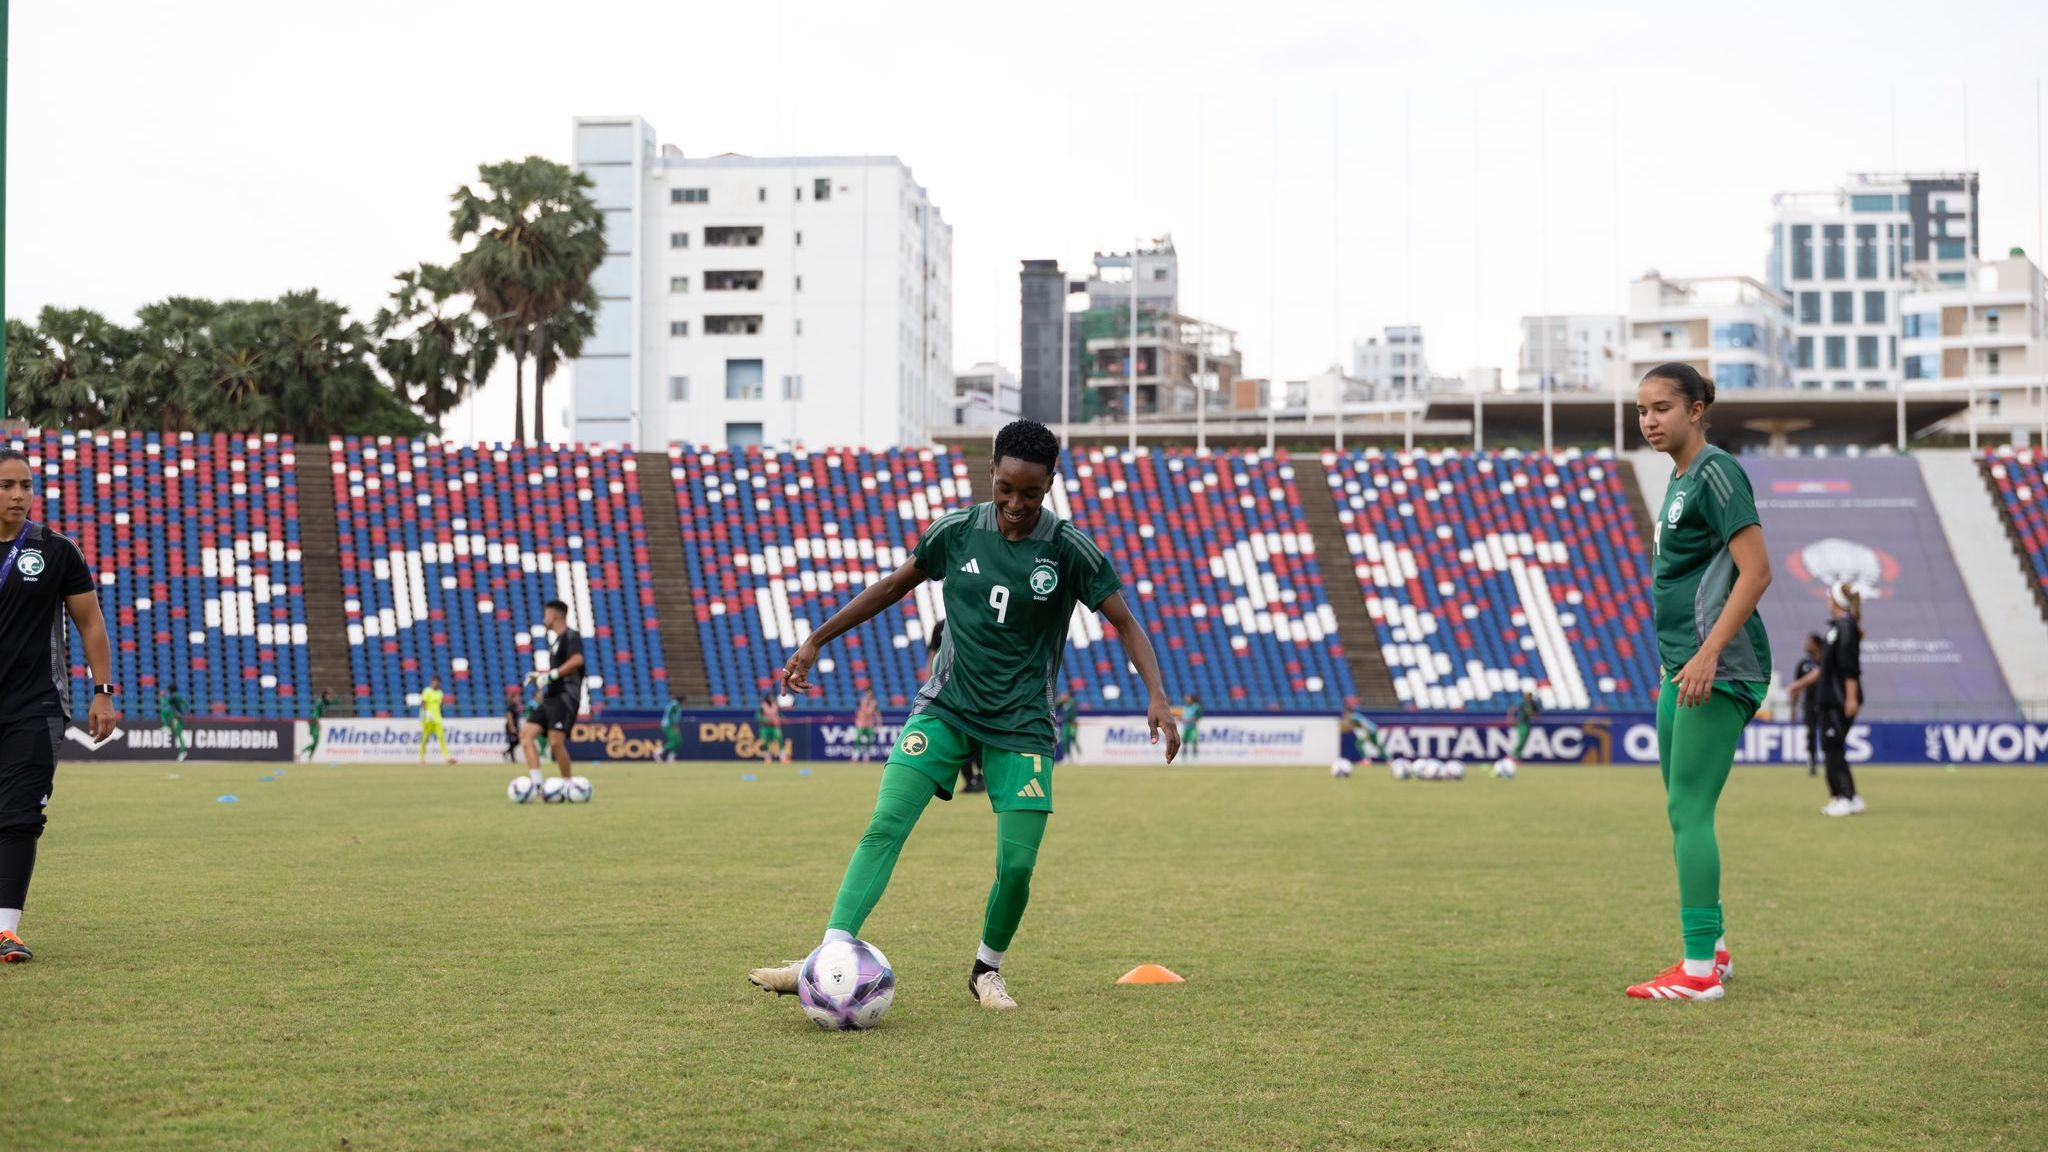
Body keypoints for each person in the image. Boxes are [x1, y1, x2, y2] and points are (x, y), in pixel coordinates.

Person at [748, 419, 1179, 1010]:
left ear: (1051, 484)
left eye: (1030, 493)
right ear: (991, 475)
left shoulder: (1069, 548)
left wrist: (1156, 694)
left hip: (1022, 723)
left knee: (1018, 866)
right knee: (885, 826)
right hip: (945, 709)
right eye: (1006, 488)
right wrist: (816, 639)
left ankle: (986, 970)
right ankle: (829, 958)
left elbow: (1125, 622)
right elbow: (893, 586)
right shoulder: (954, 532)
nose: (1016, 504)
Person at [1628, 363, 1773, 1003]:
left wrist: (1711, 651)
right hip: (1680, 666)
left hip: (1717, 664)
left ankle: (1696, 973)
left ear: (1695, 409)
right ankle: (1712, 949)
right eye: (1641, 411)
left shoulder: (1716, 471)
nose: (1649, 421)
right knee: (1680, 808)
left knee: (1691, 809)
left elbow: (1757, 570)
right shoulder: (1681, 477)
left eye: (1662, 408)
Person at [0, 447, 121, 963]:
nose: (18, 495)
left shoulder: (55, 550)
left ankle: (5, 931)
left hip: (36, 706)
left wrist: (103, 691)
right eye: (7, 485)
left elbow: (90, 622)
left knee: (18, 816)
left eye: (25, 485)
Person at [519, 599, 585, 788]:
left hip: (566, 695)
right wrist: (541, 676)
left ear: (554, 615)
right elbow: (556, 672)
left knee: (555, 741)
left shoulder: (571, 636)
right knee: (526, 736)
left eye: (546, 614)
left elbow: (577, 660)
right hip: (551, 696)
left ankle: (568, 785)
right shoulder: (555, 641)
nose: (544, 618)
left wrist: (551, 675)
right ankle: (537, 785)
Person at [1818, 585, 1865, 816]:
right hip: (1831, 698)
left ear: (1836, 601)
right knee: (1834, 747)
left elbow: (1850, 668)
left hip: (1838, 700)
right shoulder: (1837, 628)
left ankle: (1842, 797)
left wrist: (1850, 698)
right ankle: (1851, 796)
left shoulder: (1845, 628)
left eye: (1830, 597)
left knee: (1832, 747)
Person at [926, 619, 983, 791]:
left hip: (973, 688)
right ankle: (968, 779)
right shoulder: (940, 627)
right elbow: (932, 653)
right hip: (949, 690)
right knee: (957, 735)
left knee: (976, 735)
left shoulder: (972, 621)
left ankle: (981, 776)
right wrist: (930, 680)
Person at [1786, 634, 1824, 777]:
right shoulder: (1802, 664)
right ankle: (1813, 762)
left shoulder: (1826, 661)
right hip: (1809, 703)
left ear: (1817, 644)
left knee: (1828, 734)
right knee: (1811, 734)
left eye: (1809, 642)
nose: (1806, 644)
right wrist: (1793, 708)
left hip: (1826, 703)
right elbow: (1797, 690)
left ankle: (1830, 760)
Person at [418, 675, 453, 766]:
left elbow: (439, 706)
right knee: (425, 739)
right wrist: (426, 713)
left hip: (437, 719)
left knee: (441, 737)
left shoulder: (440, 693)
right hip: (427, 719)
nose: (435, 683)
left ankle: (447, 757)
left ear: (439, 683)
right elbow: (423, 703)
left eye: (437, 682)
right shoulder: (427, 691)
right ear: (431, 682)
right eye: (434, 681)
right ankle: (421, 758)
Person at [158, 685, 191, 763]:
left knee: (163, 712)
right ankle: (182, 751)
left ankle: (166, 726)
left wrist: (162, 696)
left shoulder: (174, 696)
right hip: (178, 716)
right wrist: (187, 711)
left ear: (170, 690)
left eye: (168, 690)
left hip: (177, 716)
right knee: (178, 735)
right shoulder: (177, 696)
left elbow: (166, 703)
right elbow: (185, 703)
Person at [302, 690, 333, 762]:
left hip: (314, 723)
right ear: (325, 696)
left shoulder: (324, 703)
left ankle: (309, 757)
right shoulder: (319, 703)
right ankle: (302, 752)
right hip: (313, 723)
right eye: (328, 696)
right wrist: (319, 723)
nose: (329, 697)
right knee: (316, 741)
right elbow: (315, 715)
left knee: (316, 742)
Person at [755, 692, 786, 766]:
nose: (771, 699)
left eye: (772, 698)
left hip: (775, 727)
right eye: (770, 698)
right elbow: (758, 716)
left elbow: (779, 715)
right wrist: (767, 720)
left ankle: (782, 757)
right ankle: (767, 757)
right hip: (765, 727)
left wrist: (782, 718)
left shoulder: (775, 706)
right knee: (766, 742)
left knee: (780, 740)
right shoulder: (762, 706)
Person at [1509, 692, 1541, 762]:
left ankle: (1516, 755)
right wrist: (1511, 718)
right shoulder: (1522, 703)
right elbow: (1513, 709)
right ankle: (1513, 754)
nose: (1528, 698)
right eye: (1527, 696)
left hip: (1526, 723)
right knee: (1522, 739)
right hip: (1521, 723)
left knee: (1524, 740)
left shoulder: (1533, 704)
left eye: (1529, 696)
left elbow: (1537, 714)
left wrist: (1533, 714)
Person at [853, 689, 883, 762]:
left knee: (869, 741)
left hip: (869, 724)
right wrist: (857, 721)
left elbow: (877, 714)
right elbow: (859, 712)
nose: (869, 696)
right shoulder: (862, 701)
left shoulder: (874, 703)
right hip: (861, 724)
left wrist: (879, 723)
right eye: (868, 694)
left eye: (870, 695)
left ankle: (866, 757)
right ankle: (855, 756)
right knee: (857, 740)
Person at [1054, 690, 1079, 762]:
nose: (1063, 697)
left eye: (1064, 696)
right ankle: (1067, 756)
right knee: (1064, 740)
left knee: (1074, 740)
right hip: (1066, 724)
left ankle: (1079, 756)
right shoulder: (1064, 704)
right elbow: (1056, 706)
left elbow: (1074, 712)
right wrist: (1059, 700)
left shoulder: (1072, 702)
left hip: (1072, 724)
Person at [661, 694, 687, 762]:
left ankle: (671, 758)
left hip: (671, 725)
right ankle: (658, 752)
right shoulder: (674, 705)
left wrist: (676, 725)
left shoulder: (675, 705)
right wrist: (673, 725)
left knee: (678, 742)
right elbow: (669, 715)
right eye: (685, 701)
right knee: (674, 741)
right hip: (668, 725)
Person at [502, 686, 523, 763]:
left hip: (515, 725)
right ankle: (513, 759)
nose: (518, 698)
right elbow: (509, 716)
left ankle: (506, 753)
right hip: (511, 726)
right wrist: (512, 727)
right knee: (512, 741)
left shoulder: (515, 706)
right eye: (517, 697)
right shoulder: (510, 705)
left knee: (517, 741)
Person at [1179, 693, 1204, 762]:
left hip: (1192, 727)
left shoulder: (1196, 707)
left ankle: (1195, 757)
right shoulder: (1184, 707)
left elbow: (1198, 717)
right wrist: (1181, 719)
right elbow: (1182, 716)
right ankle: (1184, 757)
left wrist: (1189, 720)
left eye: (1188, 699)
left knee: (1194, 741)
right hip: (1186, 727)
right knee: (1184, 742)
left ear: (1191, 699)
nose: (1186, 700)